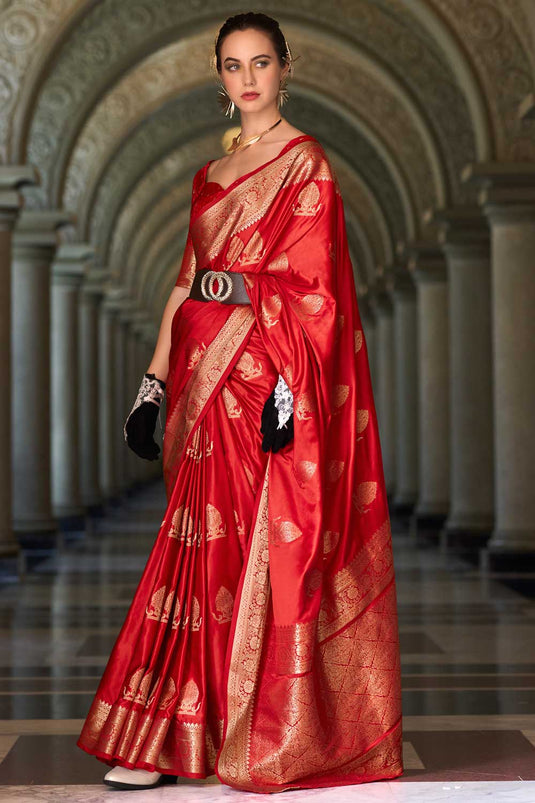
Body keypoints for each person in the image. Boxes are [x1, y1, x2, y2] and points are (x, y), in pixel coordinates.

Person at [77, 11, 404, 793]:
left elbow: (313, 293)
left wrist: (288, 389)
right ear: (218, 77)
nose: (248, 77)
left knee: (250, 556)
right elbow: (185, 283)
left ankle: (246, 732)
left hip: (263, 379)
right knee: (191, 550)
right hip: (198, 378)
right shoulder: (209, 177)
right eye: (233, 64)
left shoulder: (305, 165)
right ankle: (166, 733)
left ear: (286, 69)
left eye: (261, 62)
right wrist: (152, 386)